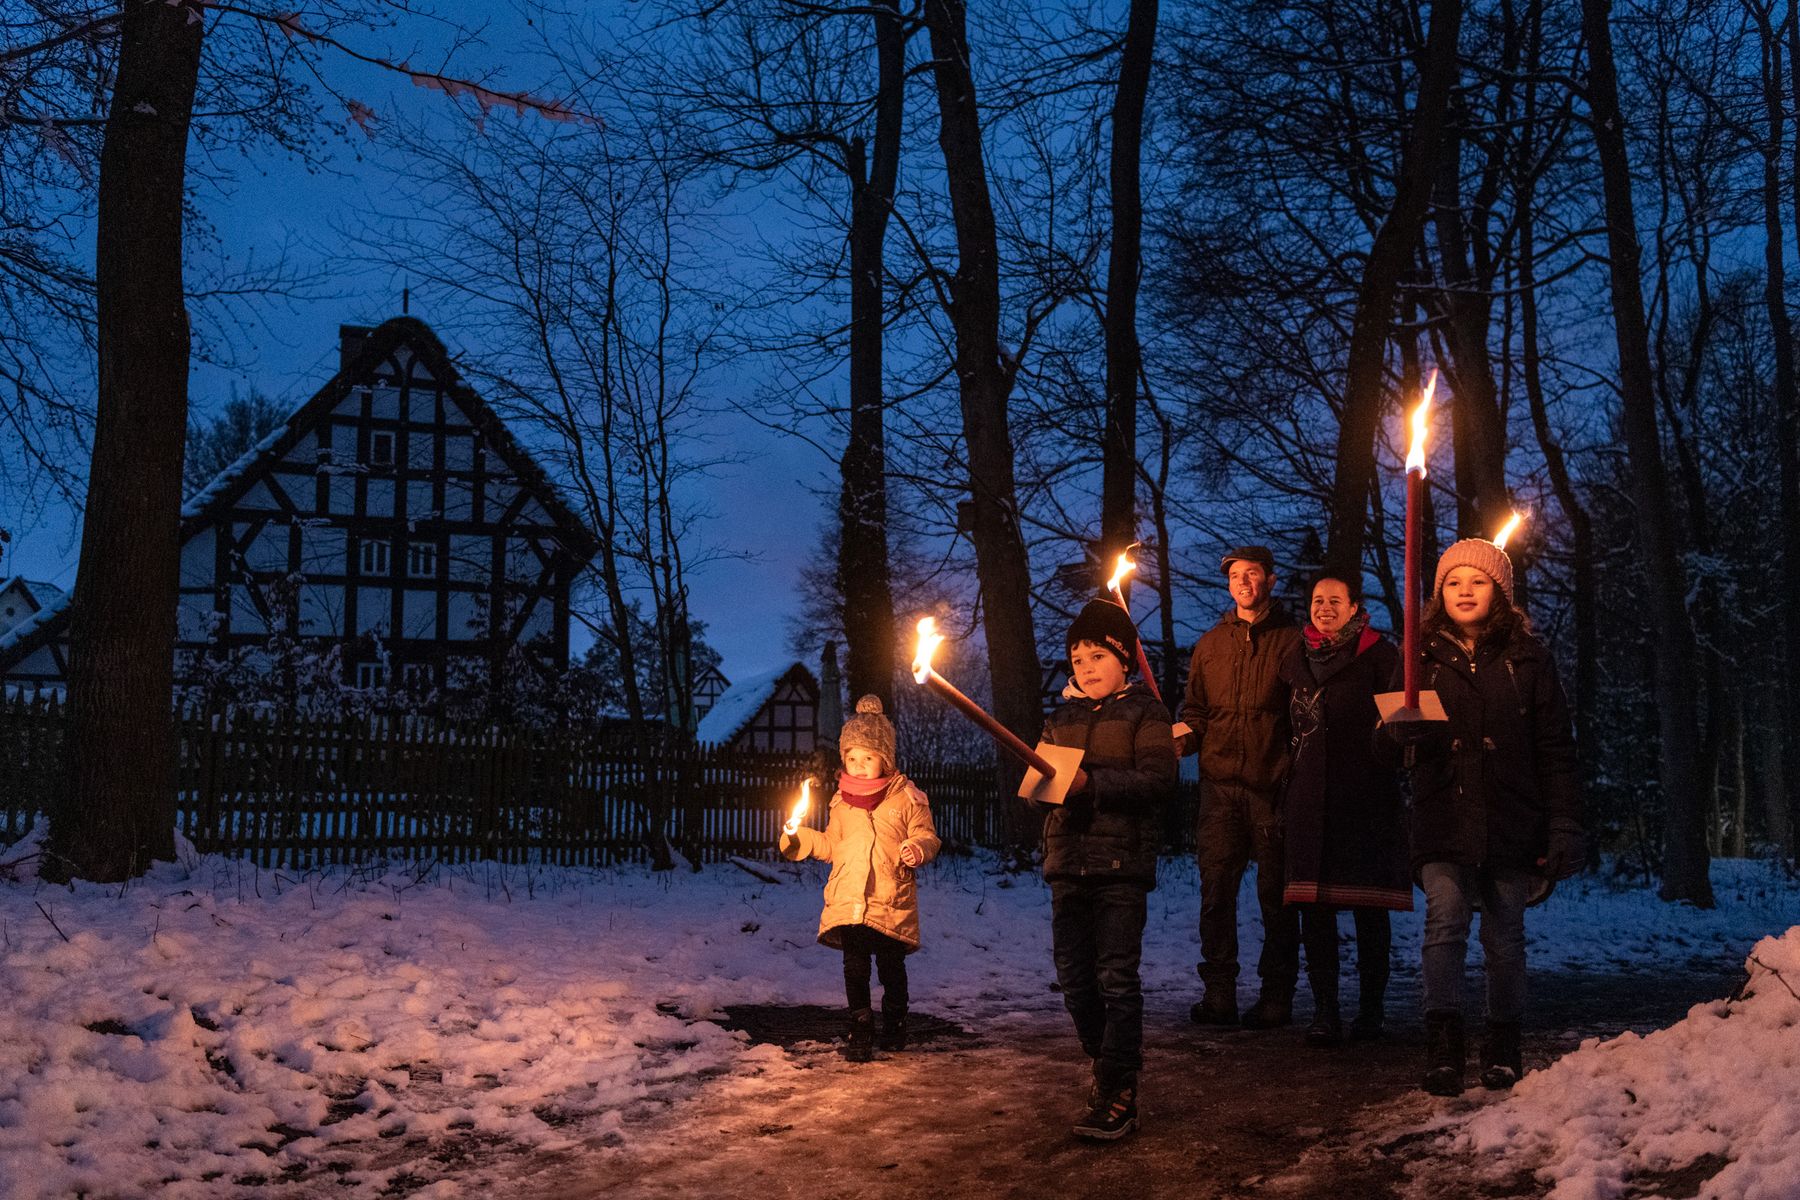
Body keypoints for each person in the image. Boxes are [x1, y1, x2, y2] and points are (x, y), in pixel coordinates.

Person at [1380, 538, 1584, 1096]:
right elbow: (1384, 744)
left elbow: (1555, 749)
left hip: (1511, 816)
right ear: (1438, 594)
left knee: (1504, 935)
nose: (1464, 591)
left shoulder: (1529, 660)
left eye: (1477, 581)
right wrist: (1399, 734)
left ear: (1500, 592)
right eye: (1452, 582)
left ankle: (1502, 1042)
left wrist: (1563, 823)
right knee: (1444, 918)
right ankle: (1443, 1043)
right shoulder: (1417, 658)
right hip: (1443, 814)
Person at [1039, 598, 1178, 1141]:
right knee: (1074, 979)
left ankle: (1119, 1086)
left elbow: (1157, 781)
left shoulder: (1147, 714)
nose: (1087, 667)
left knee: (1115, 978)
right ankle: (1107, 1063)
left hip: (1120, 864)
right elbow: (1039, 786)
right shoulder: (1061, 718)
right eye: (1077, 660)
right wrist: (1039, 789)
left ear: (1124, 660)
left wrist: (1091, 785)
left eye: (1098, 656)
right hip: (1067, 864)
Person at [1277, 574, 1412, 1048]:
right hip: (1309, 800)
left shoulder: (1380, 656)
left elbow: (1400, 725)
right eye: (1318, 600)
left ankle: (1371, 1010)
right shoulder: (1294, 657)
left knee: (1369, 910)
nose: (1325, 608)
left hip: (1365, 799)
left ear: (1356, 607)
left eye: (1336, 600)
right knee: (1315, 912)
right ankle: (1325, 1010)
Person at [1178, 546, 1304, 1028]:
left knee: (1276, 898)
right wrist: (1183, 738)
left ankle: (1277, 997)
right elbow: (1196, 712)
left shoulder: (1294, 642)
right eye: (1235, 576)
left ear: (1270, 580)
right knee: (1216, 895)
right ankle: (1219, 995)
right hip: (1219, 790)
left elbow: (1304, 715)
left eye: (1252, 574)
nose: (1243, 582)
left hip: (1273, 788)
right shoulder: (1210, 645)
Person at [779, 695, 941, 1062]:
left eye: (867, 757)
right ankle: (861, 1024)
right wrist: (799, 837)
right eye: (852, 757)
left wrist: (918, 847)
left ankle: (896, 1020)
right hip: (849, 899)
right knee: (854, 966)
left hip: (889, 899)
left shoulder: (907, 798)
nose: (859, 765)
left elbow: (928, 836)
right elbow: (833, 845)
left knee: (890, 967)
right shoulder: (841, 802)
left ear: (885, 759)